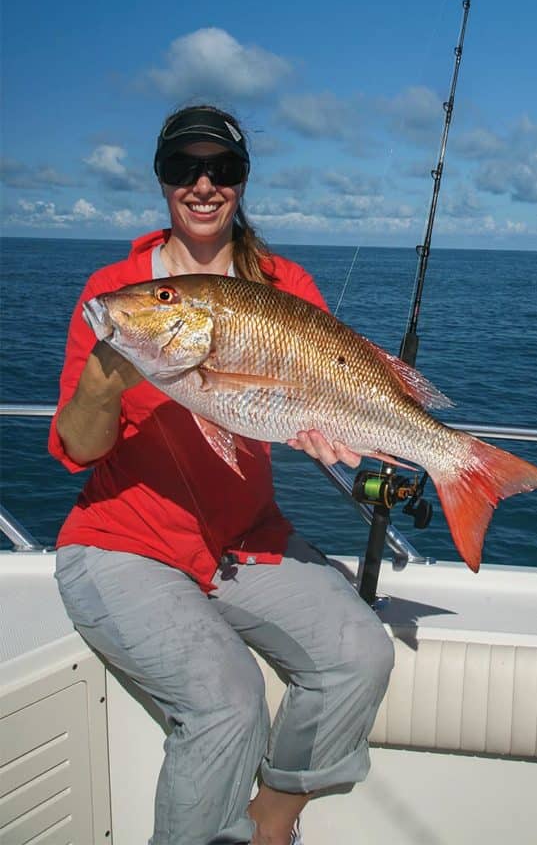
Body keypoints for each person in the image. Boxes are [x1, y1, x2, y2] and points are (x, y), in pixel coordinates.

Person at [49, 104, 395, 845]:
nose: (203, 185)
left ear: (241, 181)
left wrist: (331, 423)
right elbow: (77, 449)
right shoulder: (118, 292)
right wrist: (104, 383)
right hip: (124, 544)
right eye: (183, 168)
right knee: (227, 702)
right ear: (161, 179)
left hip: (245, 542)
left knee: (360, 654)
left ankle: (268, 827)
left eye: (223, 169)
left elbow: (307, 391)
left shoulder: (282, 282)